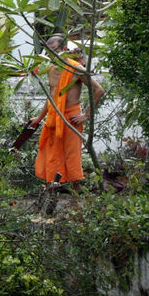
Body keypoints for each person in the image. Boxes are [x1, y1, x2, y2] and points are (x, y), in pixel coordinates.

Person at [28, 35, 104, 191]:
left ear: (64, 50)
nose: (51, 55)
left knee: (72, 158)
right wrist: (39, 118)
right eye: (48, 52)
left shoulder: (75, 68)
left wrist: (86, 115)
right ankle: (50, 198)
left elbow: (98, 90)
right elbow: (51, 98)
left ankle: (77, 204)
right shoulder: (50, 68)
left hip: (71, 118)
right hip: (54, 118)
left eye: (54, 51)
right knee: (51, 156)